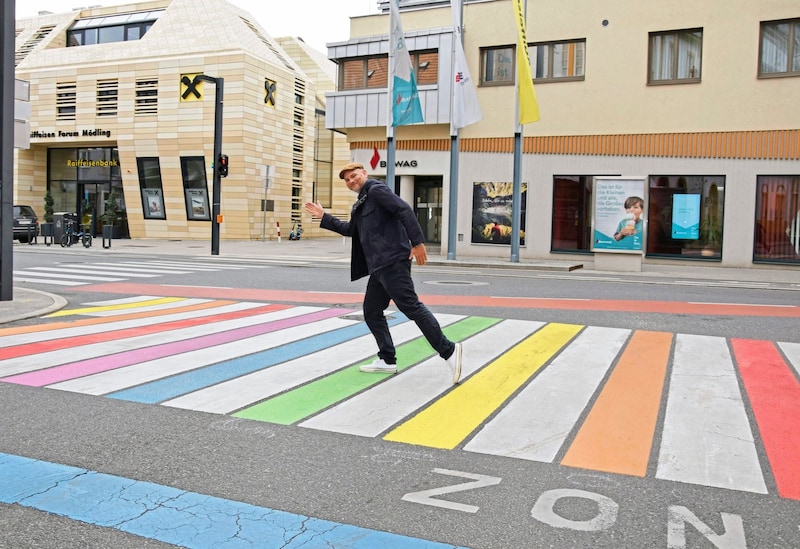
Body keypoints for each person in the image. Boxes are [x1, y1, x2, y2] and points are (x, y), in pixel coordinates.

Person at [304, 162, 463, 384]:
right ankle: (387, 359)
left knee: (412, 307)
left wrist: (417, 242)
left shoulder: (376, 191)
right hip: (379, 267)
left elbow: (403, 209)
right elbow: (351, 230)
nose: (352, 181)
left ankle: (449, 350)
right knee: (371, 311)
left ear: (364, 174)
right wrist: (324, 216)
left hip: (393, 261)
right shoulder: (360, 203)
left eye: (354, 176)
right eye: (347, 179)